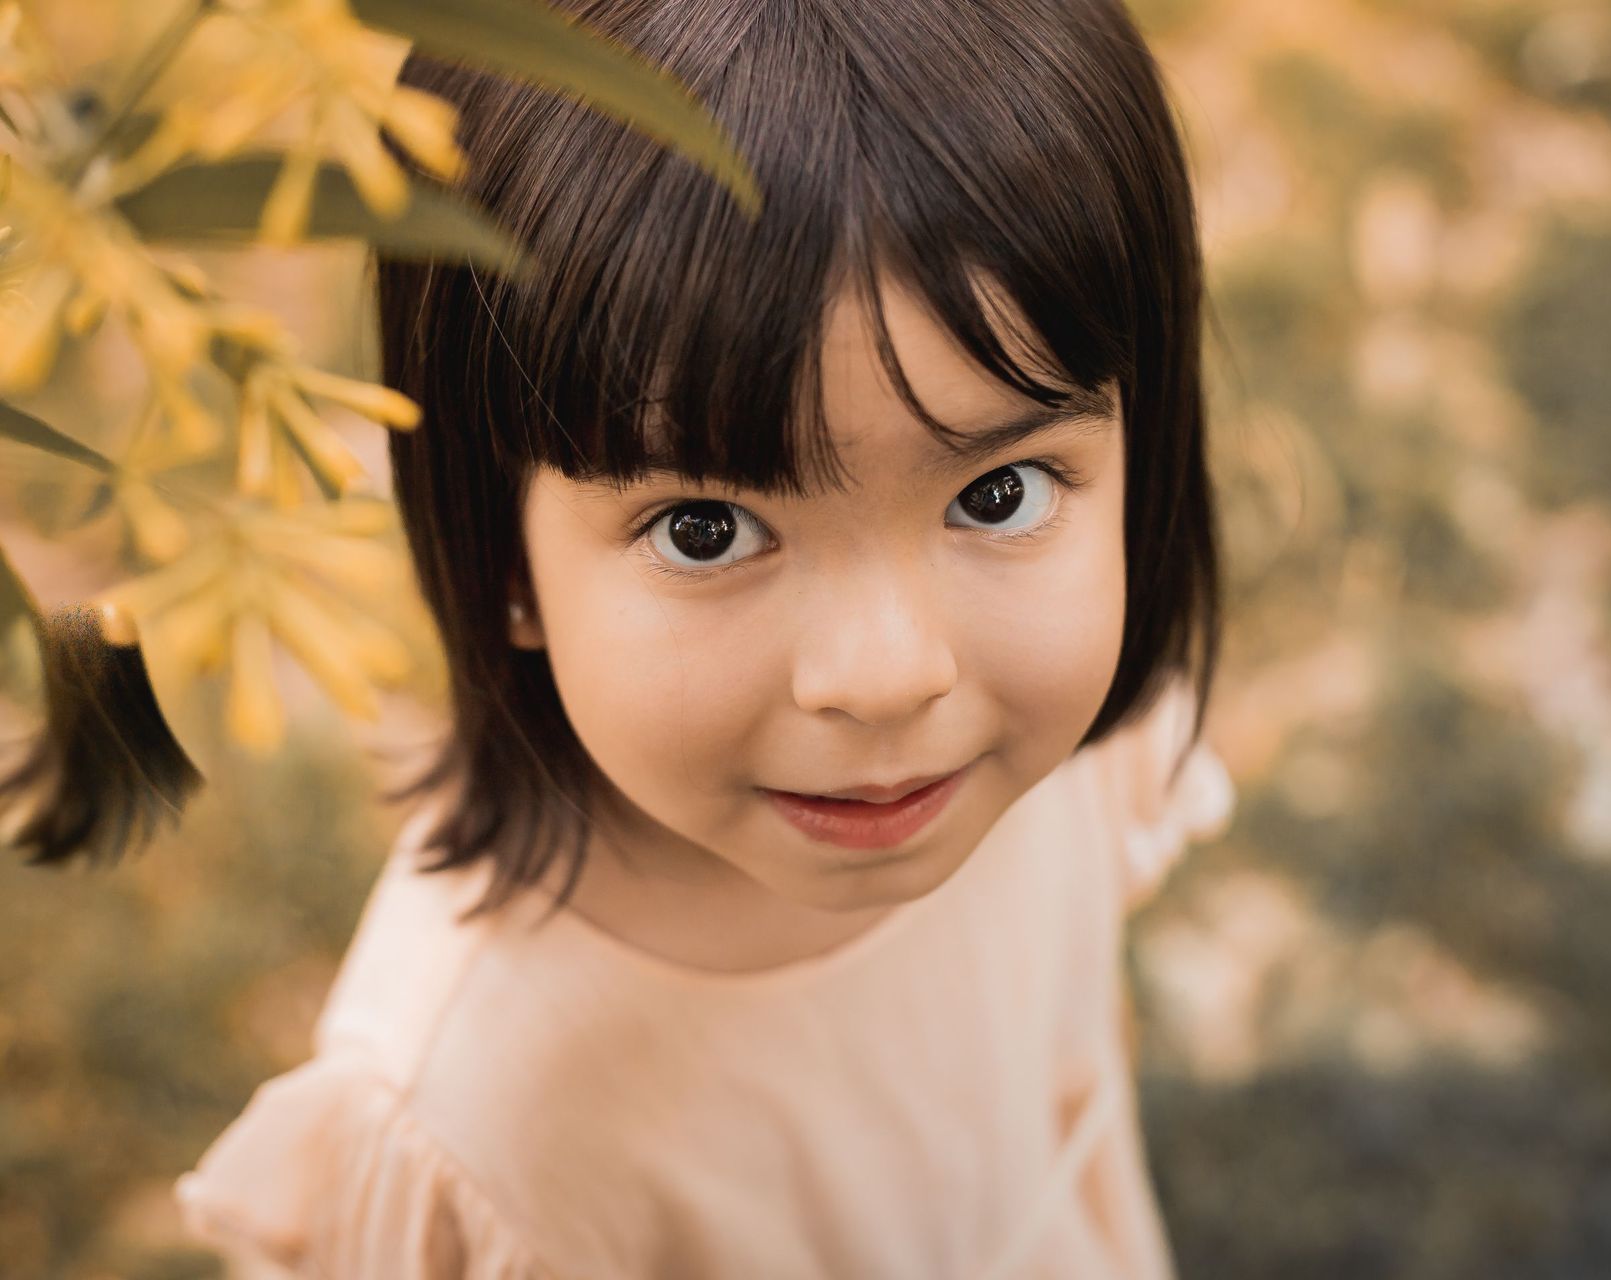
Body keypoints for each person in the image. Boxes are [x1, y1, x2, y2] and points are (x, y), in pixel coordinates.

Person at [170, 0, 1234, 1273]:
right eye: (706, 529)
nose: (889, 677)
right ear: (502, 550)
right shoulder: (475, 1114)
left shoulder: (1038, 753)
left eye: (997, 494)